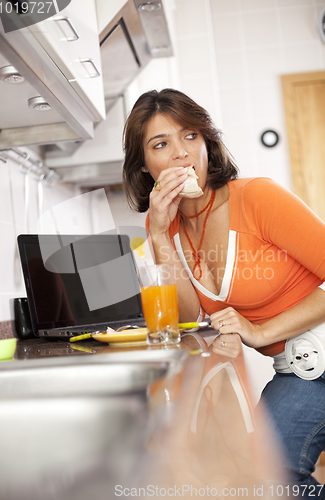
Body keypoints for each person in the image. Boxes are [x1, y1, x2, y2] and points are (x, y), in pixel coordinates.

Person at [122, 88, 325, 497]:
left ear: (207, 143)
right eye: (161, 144)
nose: (181, 153)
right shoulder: (164, 228)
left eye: (190, 136)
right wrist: (160, 232)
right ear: (145, 168)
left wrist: (263, 332)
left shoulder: (257, 198)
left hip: (317, 360)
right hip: (301, 368)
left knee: (272, 476)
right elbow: (187, 313)